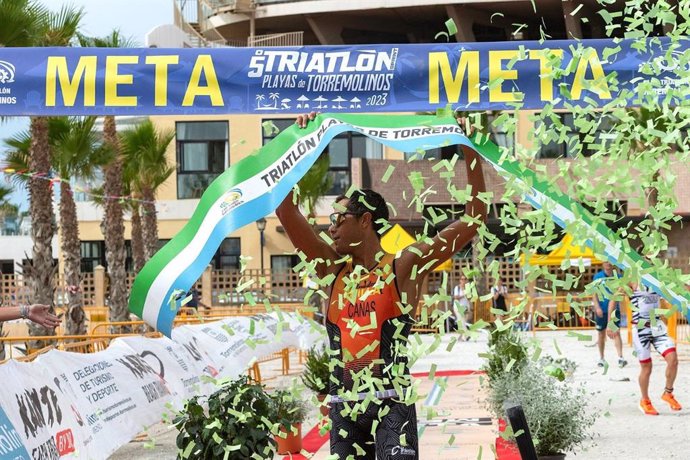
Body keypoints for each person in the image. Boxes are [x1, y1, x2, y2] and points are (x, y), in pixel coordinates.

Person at [275, 112, 486, 460]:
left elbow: (474, 217)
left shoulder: (403, 265)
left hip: (392, 405)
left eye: (338, 219)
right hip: (345, 410)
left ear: (365, 220)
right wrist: (303, 141)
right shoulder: (332, 270)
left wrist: (469, 148)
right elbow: (285, 211)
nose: (331, 228)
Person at [629, 281, 681, 415]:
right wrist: (611, 323)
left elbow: (675, 292)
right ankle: (644, 400)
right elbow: (614, 297)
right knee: (647, 367)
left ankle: (668, 393)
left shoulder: (657, 280)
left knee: (673, 360)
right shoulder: (632, 280)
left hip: (657, 325)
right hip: (640, 328)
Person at [592, 261, 628, 368]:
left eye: (610, 261)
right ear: (602, 263)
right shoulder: (597, 277)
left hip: (614, 310)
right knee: (601, 334)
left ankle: (620, 357)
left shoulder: (619, 277)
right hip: (601, 310)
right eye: (606, 262)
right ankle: (602, 358)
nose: (608, 263)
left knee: (616, 332)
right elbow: (594, 294)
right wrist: (597, 307)